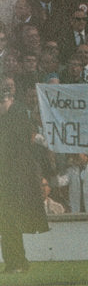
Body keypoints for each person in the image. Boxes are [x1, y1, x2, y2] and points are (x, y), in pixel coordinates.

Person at [0, 87, 49, 272]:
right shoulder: (14, 117)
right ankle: (15, 262)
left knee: (10, 222)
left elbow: (14, 149)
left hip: (16, 179)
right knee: (7, 223)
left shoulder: (17, 116)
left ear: (7, 100)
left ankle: (17, 262)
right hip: (10, 178)